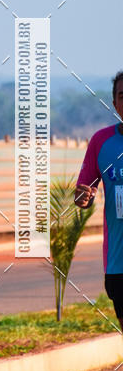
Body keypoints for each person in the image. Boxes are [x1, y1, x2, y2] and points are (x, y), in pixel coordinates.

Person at [75, 70, 123, 332]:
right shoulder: (101, 142)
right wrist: (83, 197)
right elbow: (82, 193)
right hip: (118, 262)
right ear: (114, 103)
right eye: (122, 96)